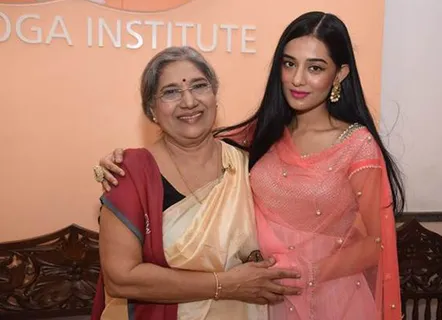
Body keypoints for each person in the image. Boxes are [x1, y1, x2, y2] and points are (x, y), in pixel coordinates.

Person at [94, 11, 405, 320]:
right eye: (289, 64)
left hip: (320, 298)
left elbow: (376, 241)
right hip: (253, 302)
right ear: (151, 108)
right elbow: (121, 274)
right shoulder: (260, 138)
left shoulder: (349, 145)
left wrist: (308, 272)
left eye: (315, 67)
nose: (298, 79)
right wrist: (121, 164)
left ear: (338, 74)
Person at [90, 46, 303, 320]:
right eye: (171, 92)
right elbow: (121, 278)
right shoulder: (129, 172)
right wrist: (225, 285)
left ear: (215, 95)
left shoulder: (251, 163)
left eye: (199, 86)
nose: (189, 101)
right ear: (151, 109)